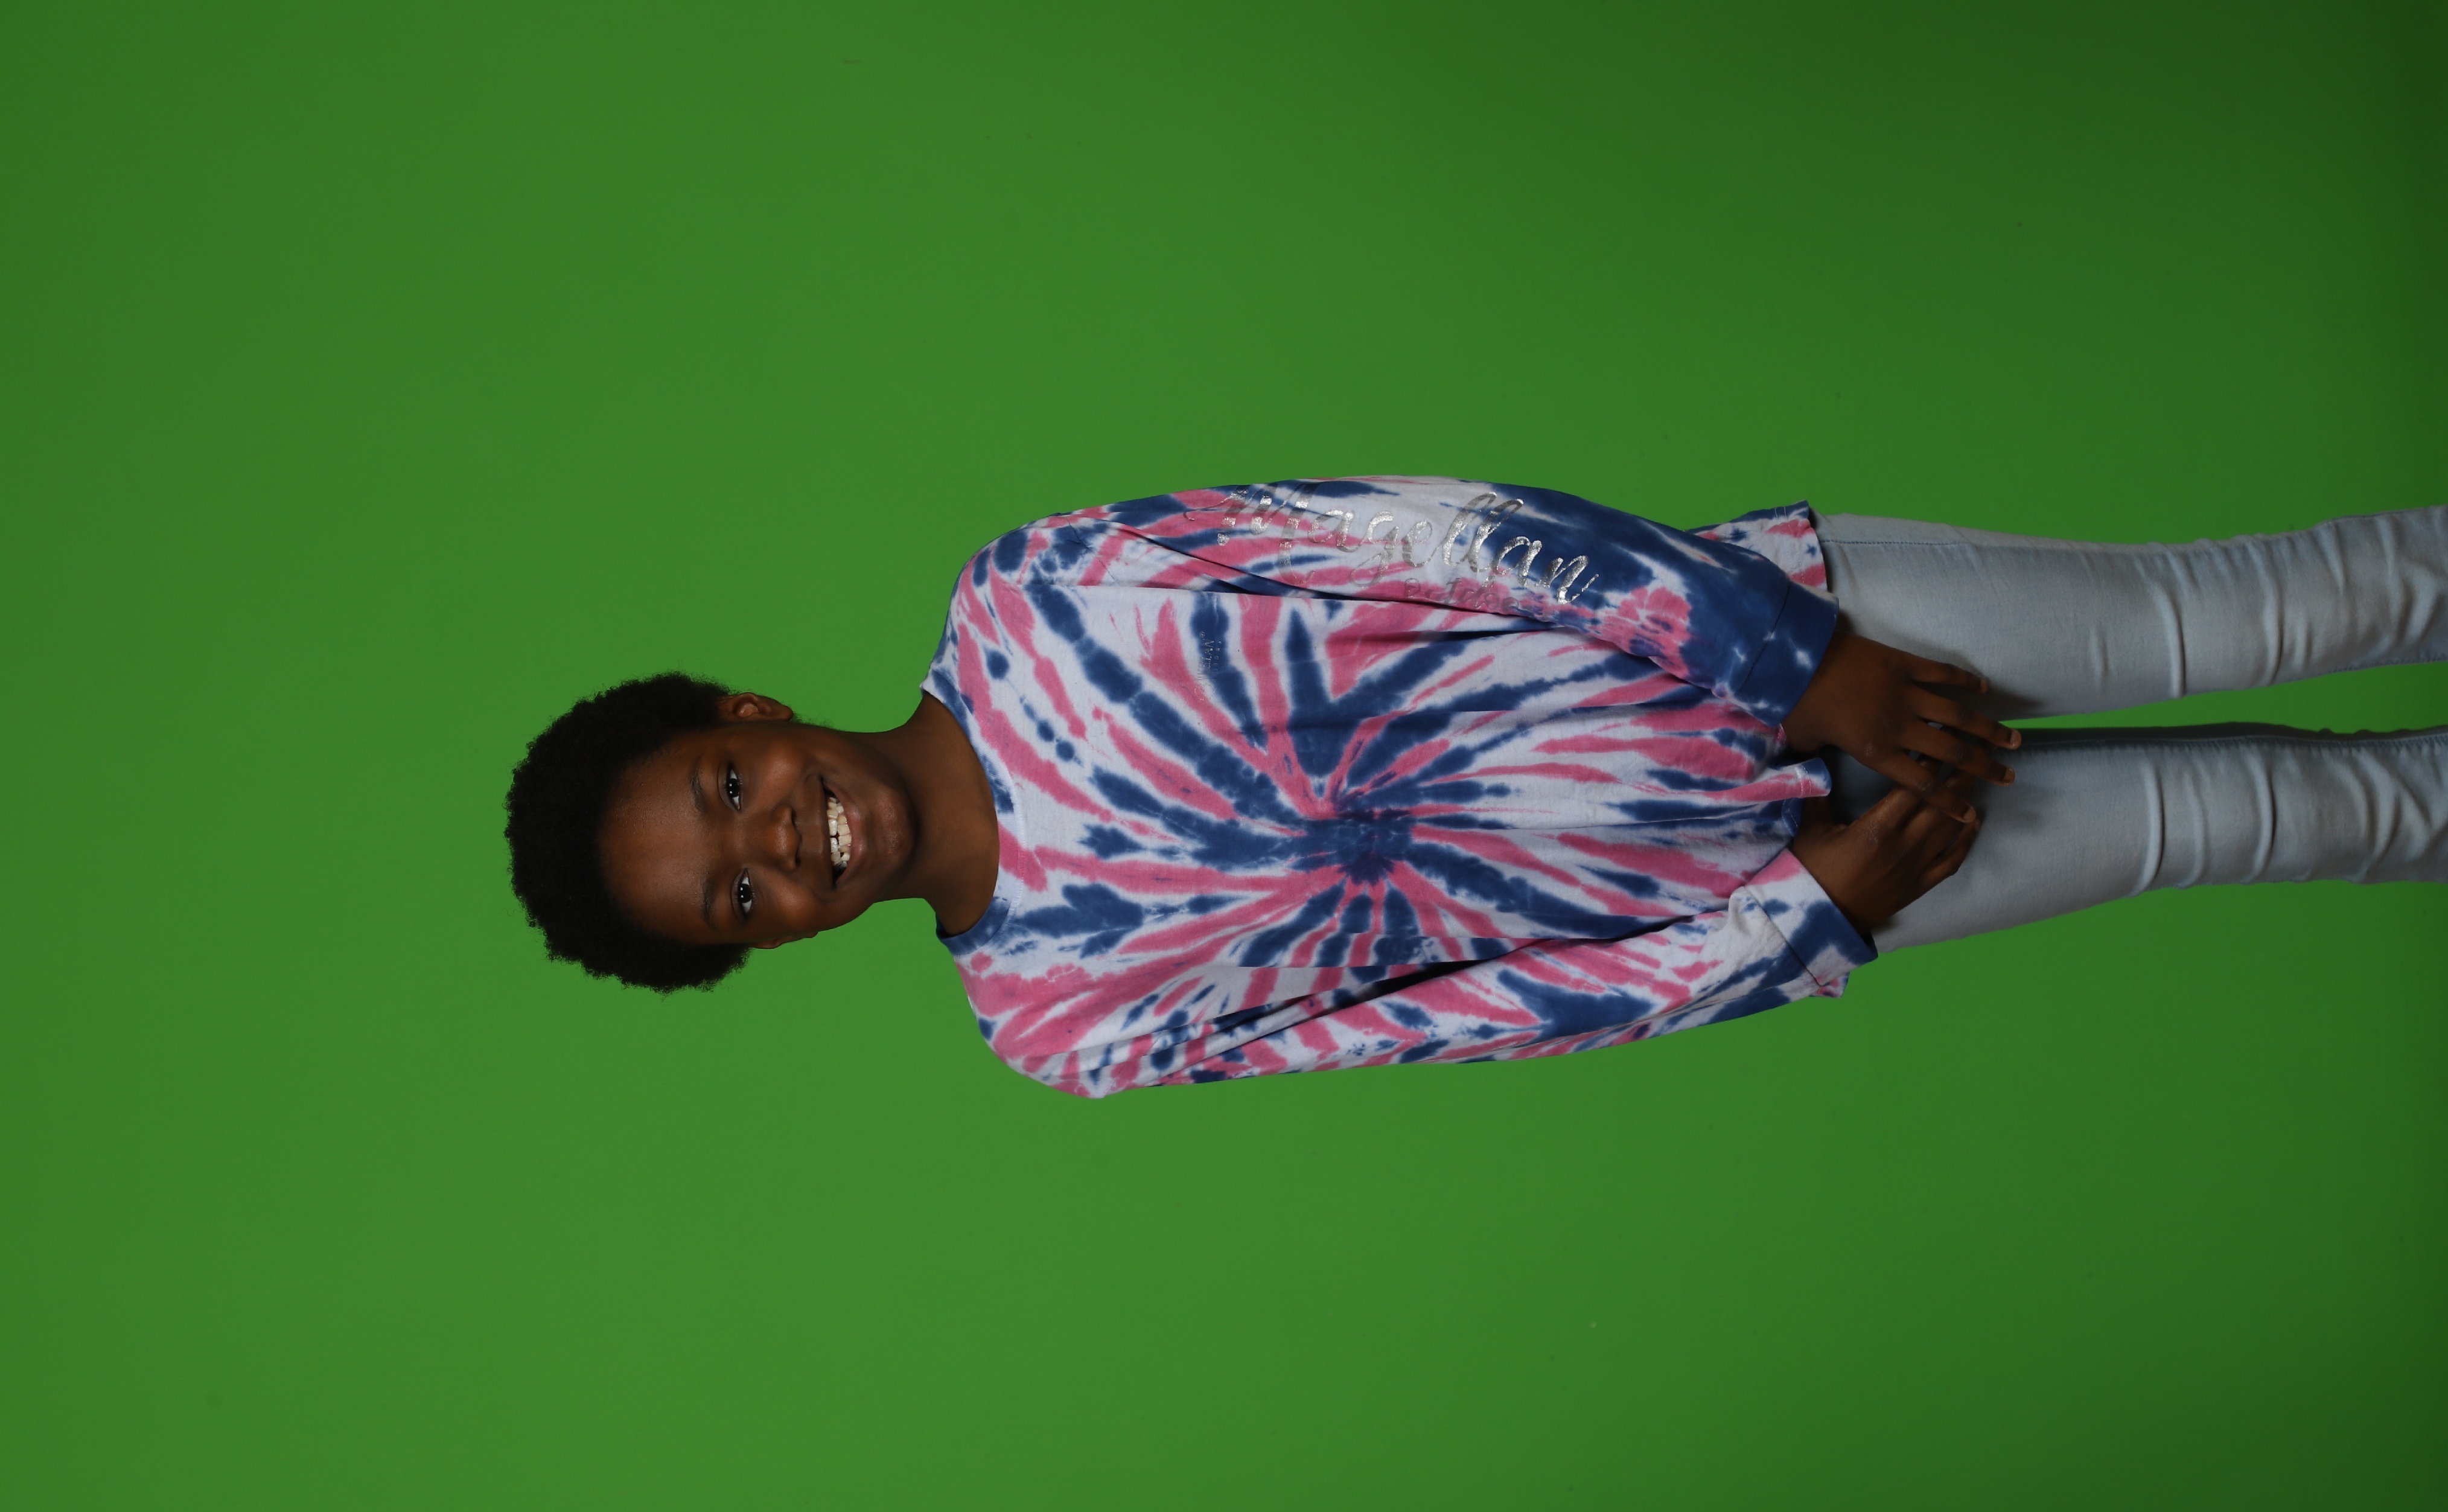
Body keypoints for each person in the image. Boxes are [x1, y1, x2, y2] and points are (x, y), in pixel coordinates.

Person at [505, 478, 2448, 1097]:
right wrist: (1805, 921)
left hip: (1803, 634)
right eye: (737, 895)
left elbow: (1431, 536)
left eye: (729, 786)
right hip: (1809, 875)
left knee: (2274, 611)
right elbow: (1452, 1019)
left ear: (748, 710)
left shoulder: (1037, 596)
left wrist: (1797, 654)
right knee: (2297, 824)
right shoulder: (1057, 1028)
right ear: (766, 945)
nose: (781, 843)